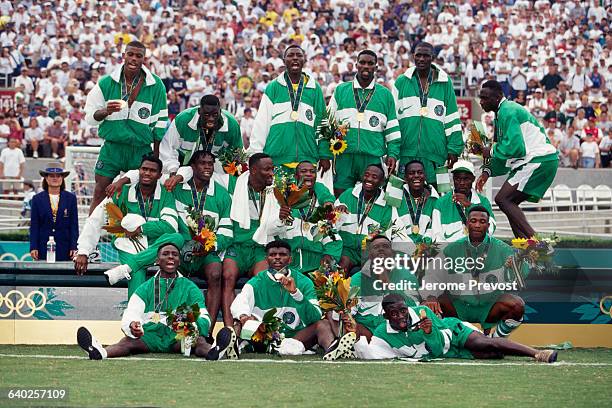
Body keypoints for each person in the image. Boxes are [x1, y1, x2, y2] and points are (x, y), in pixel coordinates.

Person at [103, 150, 233, 335]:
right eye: (202, 163)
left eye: (210, 164)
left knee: (215, 273)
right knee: (172, 253)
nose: (207, 167)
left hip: (206, 251)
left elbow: (227, 233)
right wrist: (122, 180)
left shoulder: (222, 195)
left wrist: (208, 246)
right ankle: (151, 326)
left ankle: (206, 332)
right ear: (192, 167)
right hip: (179, 250)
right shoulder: (174, 188)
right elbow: (141, 174)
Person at [77, 243, 237, 360]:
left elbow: (204, 317)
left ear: (179, 261)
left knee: (198, 340)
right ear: (157, 260)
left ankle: (214, 351)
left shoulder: (190, 287)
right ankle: (100, 352)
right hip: (150, 334)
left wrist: (192, 325)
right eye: (165, 254)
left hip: (178, 335)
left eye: (174, 254)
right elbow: (131, 314)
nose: (170, 257)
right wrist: (133, 326)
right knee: (127, 342)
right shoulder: (144, 288)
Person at [74, 155, 179, 299]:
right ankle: (134, 318)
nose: (147, 173)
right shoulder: (121, 191)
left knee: (177, 238)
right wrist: (84, 251)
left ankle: (128, 267)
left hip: (155, 246)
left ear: (159, 175)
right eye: (144, 169)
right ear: (138, 171)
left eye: (152, 171)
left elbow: (170, 226)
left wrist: (141, 229)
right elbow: (95, 220)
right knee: (137, 273)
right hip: (129, 245)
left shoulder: (166, 194)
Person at [230, 240, 353, 360]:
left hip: (296, 337)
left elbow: (315, 317)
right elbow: (240, 301)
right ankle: (232, 347)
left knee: (323, 324)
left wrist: (295, 293)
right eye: (272, 255)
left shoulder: (304, 282)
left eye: (282, 254)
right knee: (240, 322)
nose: (277, 258)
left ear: (290, 259)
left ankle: (333, 351)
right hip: (266, 337)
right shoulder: (256, 282)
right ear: (266, 259)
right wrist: (243, 316)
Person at [84, 41, 168, 214]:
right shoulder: (106, 83)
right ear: (124, 55)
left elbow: (161, 121)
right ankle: (87, 241)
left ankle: (136, 237)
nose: (134, 59)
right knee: (100, 192)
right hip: (112, 147)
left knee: (140, 196)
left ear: (144, 59)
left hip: (140, 149)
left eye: (139, 56)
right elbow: (90, 117)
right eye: (130, 54)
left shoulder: (156, 85)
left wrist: (156, 155)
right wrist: (105, 111)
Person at [351, 293, 557, 363]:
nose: (400, 317)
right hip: (451, 353)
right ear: (386, 316)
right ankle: (499, 346)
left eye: (403, 311)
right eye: (394, 314)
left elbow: (440, 345)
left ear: (407, 308)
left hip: (454, 334)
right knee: (493, 354)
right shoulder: (381, 332)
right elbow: (373, 351)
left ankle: (538, 353)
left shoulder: (422, 312)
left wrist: (430, 332)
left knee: (484, 343)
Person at [427, 206, 528, 338]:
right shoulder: (452, 248)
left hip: (489, 305)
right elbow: (434, 274)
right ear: (467, 224)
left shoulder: (502, 248)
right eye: (473, 221)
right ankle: (447, 340)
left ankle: (495, 340)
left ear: (488, 225)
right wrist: (431, 296)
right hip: (459, 304)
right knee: (430, 304)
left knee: (517, 305)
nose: (477, 225)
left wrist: (516, 263)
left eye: (482, 221)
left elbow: (522, 273)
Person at [476, 80, 559, 239]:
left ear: (498, 96)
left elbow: (515, 148)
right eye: (481, 97)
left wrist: (489, 150)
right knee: (508, 203)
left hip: (538, 159)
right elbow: (505, 152)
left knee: (503, 199)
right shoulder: (501, 114)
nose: (481, 102)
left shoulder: (508, 111)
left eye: (485, 98)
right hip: (540, 160)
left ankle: (538, 244)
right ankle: (526, 249)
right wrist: (487, 171)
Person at [248, 45, 331, 174]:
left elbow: (323, 122)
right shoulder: (273, 87)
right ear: (284, 60)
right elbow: (261, 122)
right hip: (276, 158)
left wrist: (325, 153)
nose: (295, 58)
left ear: (304, 60)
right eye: (291, 55)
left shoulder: (314, 88)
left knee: (305, 194)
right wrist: (256, 154)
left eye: (299, 55)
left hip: (306, 159)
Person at [328, 49, 400, 196]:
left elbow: (392, 129)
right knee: (341, 200)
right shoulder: (341, 90)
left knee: (371, 201)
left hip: (372, 156)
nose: (366, 66)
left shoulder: (385, 94)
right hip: (344, 156)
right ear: (356, 65)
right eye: (362, 62)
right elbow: (327, 124)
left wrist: (392, 153)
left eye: (370, 63)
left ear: (376, 67)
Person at [393, 42, 463, 189]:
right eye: (418, 55)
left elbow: (451, 116)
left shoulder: (445, 82)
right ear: (413, 57)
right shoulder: (401, 81)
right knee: (400, 196)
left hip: (435, 152)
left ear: (433, 57)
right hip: (406, 150)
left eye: (426, 55)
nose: (422, 59)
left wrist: (454, 148)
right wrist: (392, 150)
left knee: (437, 195)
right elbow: (392, 118)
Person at [223, 153, 277, 326]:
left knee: (262, 279)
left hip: (260, 247)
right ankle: (229, 329)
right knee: (228, 276)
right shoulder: (234, 184)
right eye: (267, 169)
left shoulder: (278, 189)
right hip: (237, 246)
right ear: (253, 170)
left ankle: (258, 328)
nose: (271, 173)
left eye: (272, 169)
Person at [160, 94, 243, 187]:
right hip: (182, 164)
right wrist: (173, 172)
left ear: (220, 111)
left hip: (215, 167)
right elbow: (168, 149)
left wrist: (235, 180)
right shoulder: (183, 120)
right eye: (207, 114)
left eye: (215, 115)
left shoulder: (232, 124)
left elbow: (237, 155)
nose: (211, 119)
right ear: (199, 111)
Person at [275, 161, 341, 273]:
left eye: (312, 171)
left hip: (315, 264)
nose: (309, 174)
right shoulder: (283, 201)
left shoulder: (321, 206)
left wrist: (329, 256)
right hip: (288, 263)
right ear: (296, 176)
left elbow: (333, 237)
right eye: (303, 171)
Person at [335, 164, 391, 273]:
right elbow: (331, 225)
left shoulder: (386, 205)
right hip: (347, 249)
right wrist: (338, 215)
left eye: (374, 177)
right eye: (366, 175)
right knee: (341, 268)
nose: (369, 179)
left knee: (367, 275)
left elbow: (385, 234)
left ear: (381, 182)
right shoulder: (348, 194)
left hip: (369, 252)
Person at [430, 160, 495, 243]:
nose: (461, 183)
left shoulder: (483, 201)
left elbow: (490, 229)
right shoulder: (441, 203)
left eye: (466, 179)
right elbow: (436, 236)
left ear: (473, 179)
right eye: (457, 179)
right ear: (453, 179)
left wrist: (470, 206)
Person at [29, 165, 78, 261]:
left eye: (58, 176)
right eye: (51, 176)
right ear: (46, 178)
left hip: (65, 247)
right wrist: (33, 246)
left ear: (62, 178)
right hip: (42, 246)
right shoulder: (37, 199)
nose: (55, 178)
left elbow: (74, 225)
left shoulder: (71, 198)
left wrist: (74, 246)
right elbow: (34, 225)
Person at [392, 160, 439, 243]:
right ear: (405, 178)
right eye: (411, 173)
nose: (416, 175)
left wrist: (424, 246)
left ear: (425, 176)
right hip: (401, 248)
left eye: (420, 172)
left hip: (427, 249)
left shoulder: (435, 199)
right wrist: (410, 248)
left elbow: (435, 227)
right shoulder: (396, 195)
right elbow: (394, 226)